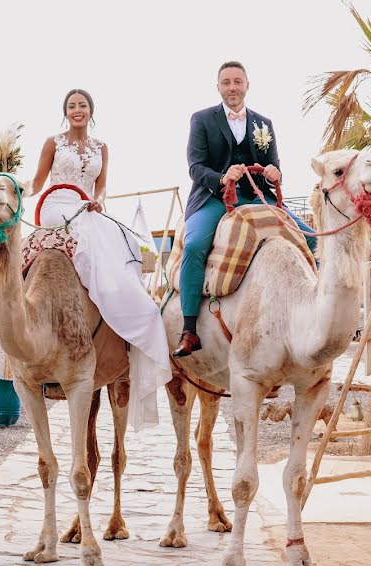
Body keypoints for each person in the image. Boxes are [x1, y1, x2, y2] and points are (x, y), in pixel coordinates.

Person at [30, 88, 171, 430]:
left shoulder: (101, 147)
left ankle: (127, 319)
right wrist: (11, 187)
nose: (77, 110)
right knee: (89, 239)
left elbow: (102, 185)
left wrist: (99, 200)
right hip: (55, 205)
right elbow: (37, 182)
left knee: (123, 244)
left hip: (87, 206)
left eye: (82, 106)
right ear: (65, 112)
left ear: (91, 112)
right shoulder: (53, 143)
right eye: (71, 106)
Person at [173, 61, 317, 357]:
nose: (232, 87)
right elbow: (195, 167)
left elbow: (274, 165)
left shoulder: (264, 123)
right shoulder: (201, 119)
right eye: (226, 82)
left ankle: (314, 312)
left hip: (255, 197)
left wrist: (274, 174)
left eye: (238, 81)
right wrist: (222, 178)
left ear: (247, 85)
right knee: (195, 245)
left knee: (312, 238)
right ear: (218, 87)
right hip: (213, 198)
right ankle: (189, 329)